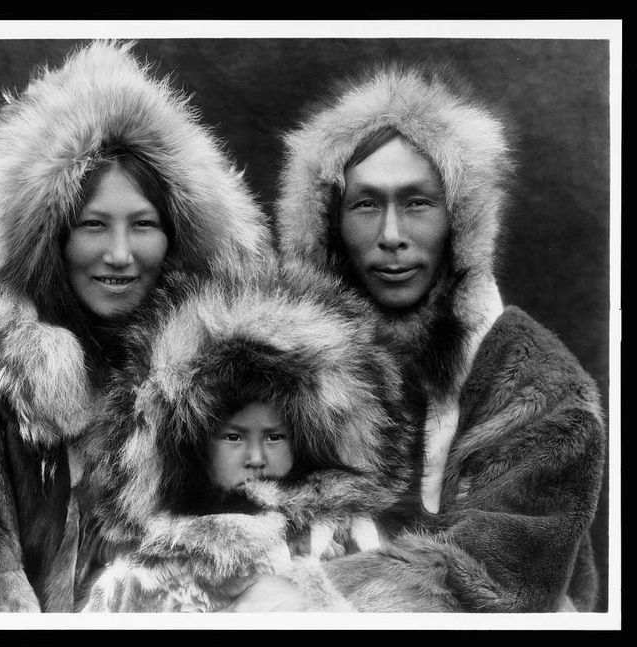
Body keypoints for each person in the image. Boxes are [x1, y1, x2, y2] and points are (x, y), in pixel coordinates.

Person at [0, 40, 272, 612]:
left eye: (142, 224)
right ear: (53, 240)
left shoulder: (224, 382)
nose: (119, 254)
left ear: (176, 238)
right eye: (94, 224)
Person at [235, 61, 606, 613]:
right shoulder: (277, 359)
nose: (391, 237)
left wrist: (304, 597)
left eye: (417, 203)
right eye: (366, 205)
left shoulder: (544, 386)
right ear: (329, 223)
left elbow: (501, 577)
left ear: (459, 219)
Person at [71, 262, 422, 612]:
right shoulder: (138, 579)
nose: (256, 457)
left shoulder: (343, 540)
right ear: (194, 450)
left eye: (274, 437)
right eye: (234, 438)